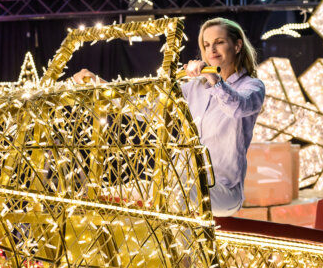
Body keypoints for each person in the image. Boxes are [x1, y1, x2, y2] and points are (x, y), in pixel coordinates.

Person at [74, 18, 265, 216]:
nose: (212, 50)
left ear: (237, 46)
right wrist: (100, 85)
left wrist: (214, 80)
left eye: (219, 42)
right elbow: (147, 108)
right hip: (178, 182)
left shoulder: (252, 86)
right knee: (122, 192)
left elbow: (237, 108)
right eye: (207, 45)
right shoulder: (195, 87)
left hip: (222, 192)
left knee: (176, 191)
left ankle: (179, 238)